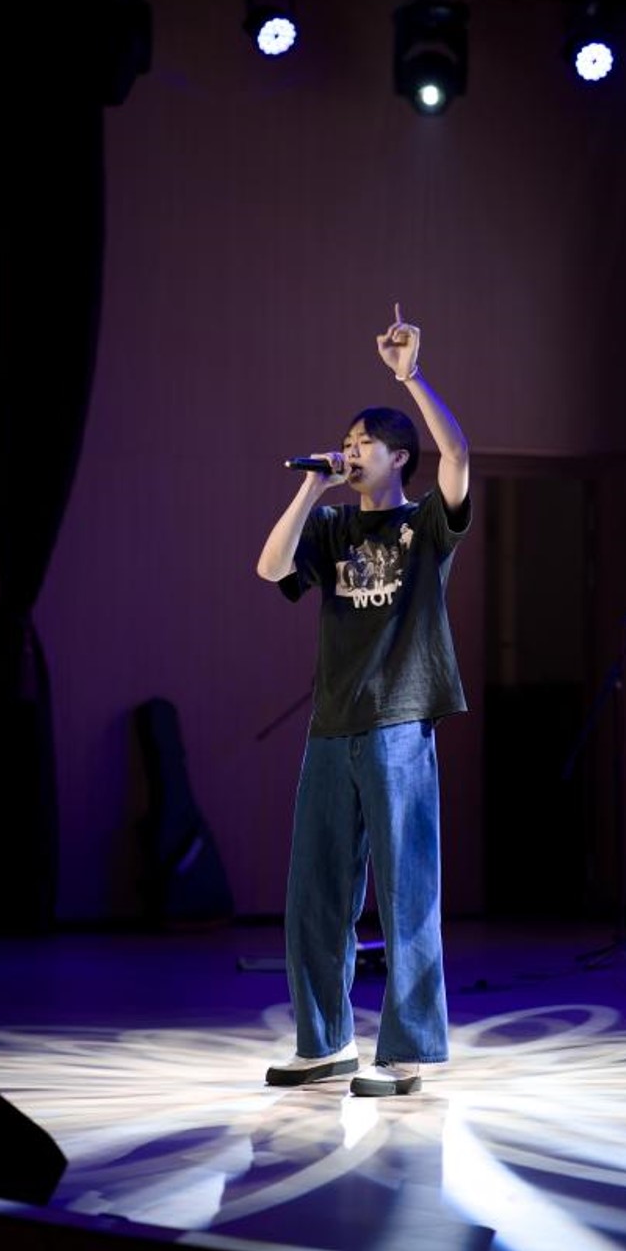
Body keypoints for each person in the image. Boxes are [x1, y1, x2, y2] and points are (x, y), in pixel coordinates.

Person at [254, 305, 469, 1097]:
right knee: (314, 890)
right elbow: (269, 567)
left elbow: (458, 454)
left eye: (362, 443)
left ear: (397, 455)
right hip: (331, 725)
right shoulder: (332, 527)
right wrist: (310, 488)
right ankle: (323, 1041)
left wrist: (410, 377)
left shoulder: (424, 524)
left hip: (398, 721)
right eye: (344, 441)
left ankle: (406, 1049)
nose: (349, 451)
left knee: (406, 890)